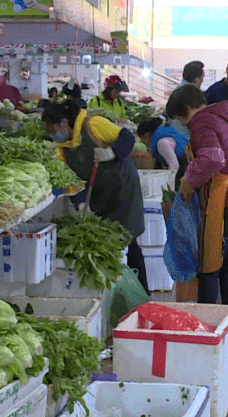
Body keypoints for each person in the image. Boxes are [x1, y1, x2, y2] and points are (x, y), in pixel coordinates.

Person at [42, 99, 149, 294]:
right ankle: (114, 292)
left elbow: (127, 137)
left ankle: (140, 291)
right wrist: (80, 202)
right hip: (100, 192)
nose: (52, 136)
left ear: (64, 123)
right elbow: (72, 181)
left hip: (122, 185)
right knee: (108, 237)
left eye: (52, 130)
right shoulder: (64, 148)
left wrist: (111, 152)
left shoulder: (92, 124)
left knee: (127, 237)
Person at [166, 85, 228, 306]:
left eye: (180, 118)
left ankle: (206, 325)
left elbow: (214, 158)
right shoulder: (222, 118)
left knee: (208, 267)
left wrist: (189, 181)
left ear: (188, 109)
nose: (183, 125)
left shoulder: (202, 122)